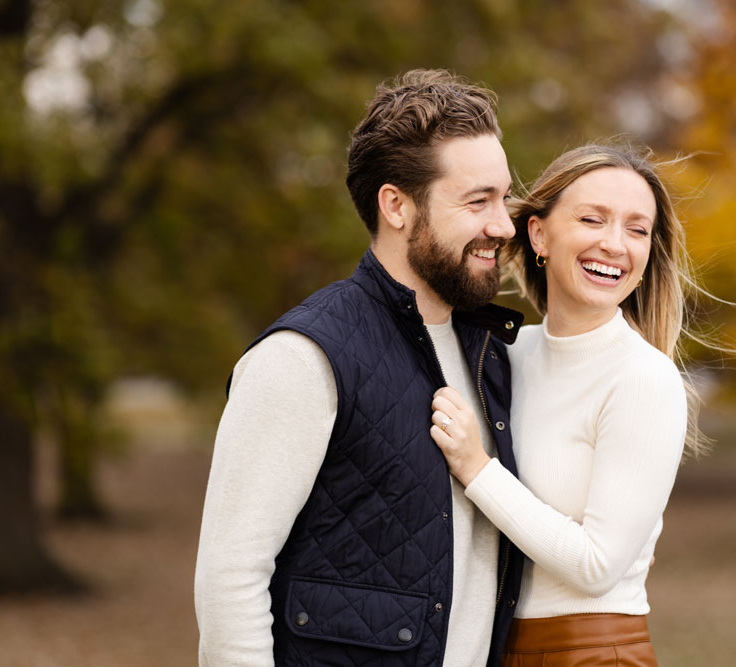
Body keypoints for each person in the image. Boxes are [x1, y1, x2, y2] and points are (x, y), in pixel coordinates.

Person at [194, 69, 526, 667]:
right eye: (478, 201)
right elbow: (230, 579)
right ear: (396, 206)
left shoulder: (494, 356)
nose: (503, 224)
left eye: (504, 197)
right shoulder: (302, 357)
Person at [429, 143, 701, 666]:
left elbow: (597, 566)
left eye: (637, 229)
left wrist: (476, 468)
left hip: (591, 652)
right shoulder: (507, 356)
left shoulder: (644, 379)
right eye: (592, 219)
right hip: (493, 646)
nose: (615, 244)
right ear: (538, 234)